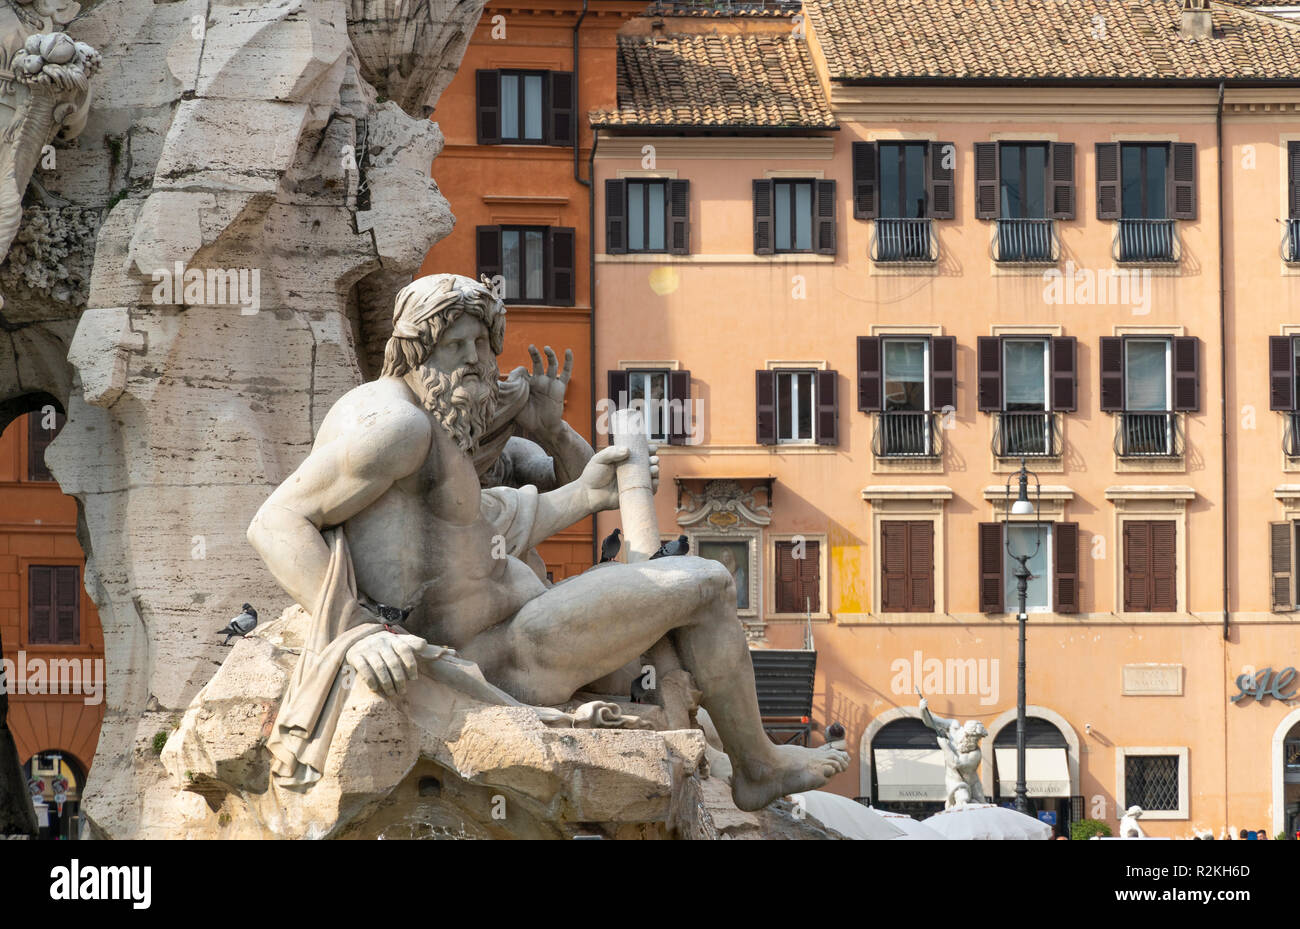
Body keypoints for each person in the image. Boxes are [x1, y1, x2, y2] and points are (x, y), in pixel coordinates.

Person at [247, 273, 850, 810]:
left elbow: (480, 525)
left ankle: (740, 759)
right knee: (708, 583)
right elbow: (275, 523)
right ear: (411, 352)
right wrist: (354, 633)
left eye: (481, 344)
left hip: (517, 628)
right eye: (453, 346)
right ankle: (759, 768)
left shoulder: (435, 426)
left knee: (653, 647)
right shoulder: (395, 427)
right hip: (504, 655)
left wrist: (585, 493)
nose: (474, 361)